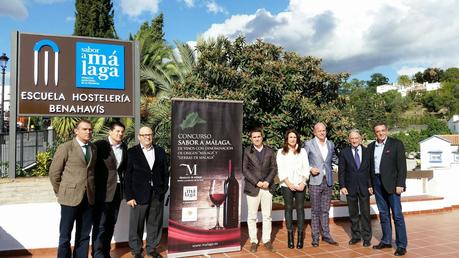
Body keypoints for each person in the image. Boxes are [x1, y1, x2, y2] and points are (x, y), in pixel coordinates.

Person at [49, 119, 97, 258]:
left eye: (90, 129)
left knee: (84, 234)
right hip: (69, 198)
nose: (88, 132)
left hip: (88, 198)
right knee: (65, 235)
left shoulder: (93, 148)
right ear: (76, 131)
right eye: (84, 129)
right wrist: (61, 191)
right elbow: (54, 173)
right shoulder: (66, 147)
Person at [124, 126, 169, 258]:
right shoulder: (131, 152)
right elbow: (127, 176)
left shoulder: (160, 151)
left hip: (157, 193)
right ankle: (136, 250)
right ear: (139, 137)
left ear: (152, 135)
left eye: (149, 134)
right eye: (144, 135)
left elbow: (165, 173)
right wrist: (129, 196)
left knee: (155, 223)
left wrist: (163, 189)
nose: (147, 137)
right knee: (136, 224)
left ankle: (151, 249)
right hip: (138, 195)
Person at [368, 122, 407, 256]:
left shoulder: (396, 144)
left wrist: (400, 184)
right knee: (383, 214)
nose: (380, 133)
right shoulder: (371, 146)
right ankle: (386, 241)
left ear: (387, 130)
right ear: (375, 133)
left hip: (393, 184)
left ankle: (401, 245)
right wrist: (370, 185)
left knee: (397, 215)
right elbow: (369, 168)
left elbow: (402, 166)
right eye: (378, 131)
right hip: (377, 184)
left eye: (383, 130)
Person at [92, 121, 128, 258]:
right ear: (110, 131)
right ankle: (97, 254)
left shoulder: (124, 147)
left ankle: (105, 253)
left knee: (111, 224)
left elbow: (124, 169)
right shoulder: (99, 145)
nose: (120, 134)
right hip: (102, 192)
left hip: (117, 192)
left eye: (122, 132)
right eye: (117, 131)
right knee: (100, 225)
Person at [242, 128, 277, 253]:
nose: (257, 139)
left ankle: (266, 240)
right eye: (254, 137)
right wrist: (257, 182)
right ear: (251, 139)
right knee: (252, 216)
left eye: (258, 136)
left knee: (267, 216)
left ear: (262, 137)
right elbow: (245, 169)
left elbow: (274, 168)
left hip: (267, 187)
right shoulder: (247, 151)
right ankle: (253, 241)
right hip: (253, 187)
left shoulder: (270, 151)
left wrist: (267, 181)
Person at [304, 122, 338, 247]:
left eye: (324, 130)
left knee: (325, 210)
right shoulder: (308, 144)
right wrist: (309, 168)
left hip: (327, 181)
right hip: (314, 181)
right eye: (319, 131)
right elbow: (303, 160)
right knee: (315, 211)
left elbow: (334, 158)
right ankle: (315, 237)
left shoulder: (331, 144)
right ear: (314, 132)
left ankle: (327, 235)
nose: (322, 132)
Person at [338, 129, 373, 247]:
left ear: (360, 139)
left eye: (356, 138)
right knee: (353, 214)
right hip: (350, 187)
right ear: (349, 140)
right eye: (352, 138)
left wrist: (370, 185)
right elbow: (341, 171)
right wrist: (342, 186)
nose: (354, 140)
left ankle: (367, 237)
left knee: (365, 214)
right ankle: (356, 236)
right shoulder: (344, 152)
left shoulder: (367, 151)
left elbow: (370, 170)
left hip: (364, 187)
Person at [277, 129, 310, 249]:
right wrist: (288, 183)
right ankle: (290, 237)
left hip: (301, 184)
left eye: (295, 137)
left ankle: (300, 238)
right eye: (290, 137)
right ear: (286, 139)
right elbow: (280, 169)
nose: (293, 139)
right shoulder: (281, 152)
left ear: (297, 139)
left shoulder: (303, 152)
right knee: (289, 209)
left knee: (300, 209)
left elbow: (306, 167)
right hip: (287, 185)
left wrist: (303, 182)